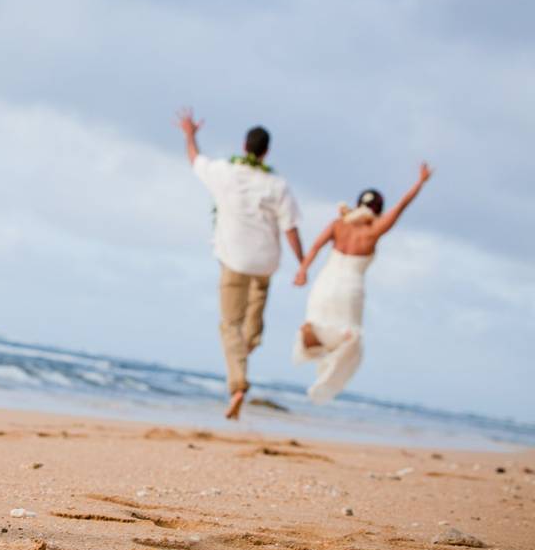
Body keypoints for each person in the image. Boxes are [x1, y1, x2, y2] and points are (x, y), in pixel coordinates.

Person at [177, 108, 304, 420]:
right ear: (266, 152)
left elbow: (195, 159)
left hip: (234, 259)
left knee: (230, 324)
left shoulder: (226, 173)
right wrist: (302, 264)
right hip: (265, 263)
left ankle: (238, 383)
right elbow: (290, 227)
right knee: (252, 326)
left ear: (244, 147)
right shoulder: (278, 185)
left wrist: (190, 134)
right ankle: (248, 346)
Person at [292, 163, 433, 403]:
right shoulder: (374, 229)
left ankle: (312, 337)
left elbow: (315, 246)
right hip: (350, 288)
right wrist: (419, 182)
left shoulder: (339, 224)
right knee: (350, 340)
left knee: (319, 325)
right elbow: (401, 207)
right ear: (378, 209)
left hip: (324, 284)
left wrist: (303, 270)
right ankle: (323, 384)